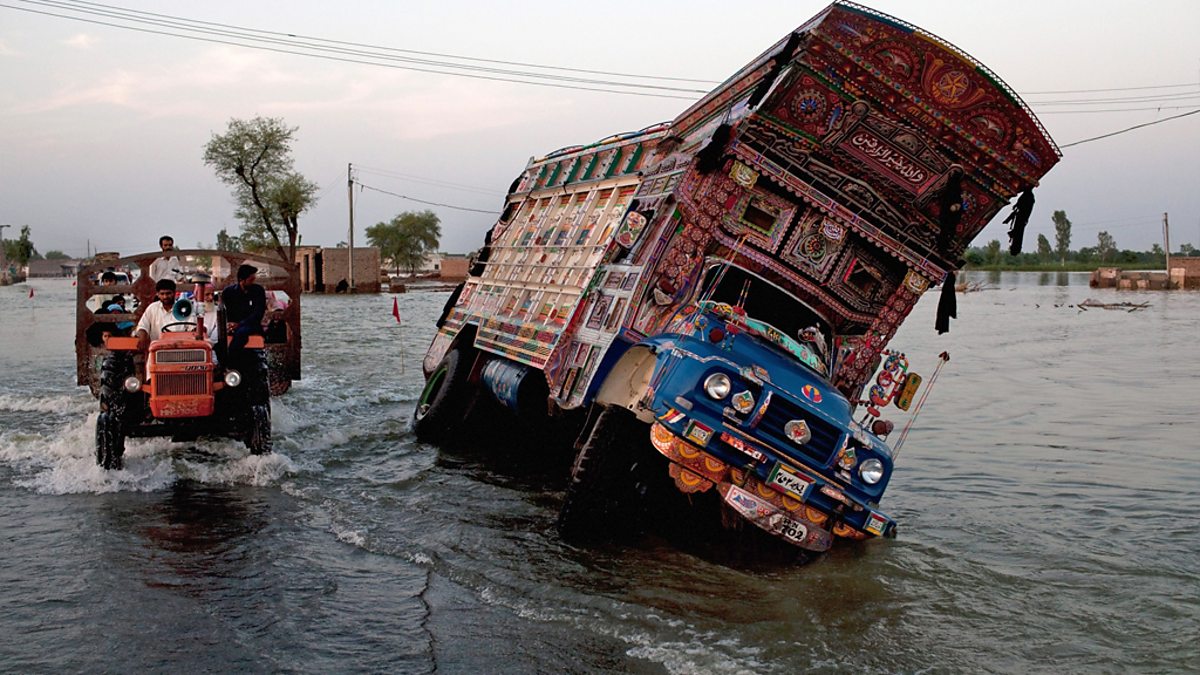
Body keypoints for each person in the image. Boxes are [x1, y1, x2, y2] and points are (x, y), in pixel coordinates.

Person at [221, 264, 266, 357]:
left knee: (242, 332)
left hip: (251, 325)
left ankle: (230, 359)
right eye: (251, 280)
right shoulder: (228, 292)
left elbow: (258, 313)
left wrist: (240, 324)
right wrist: (229, 324)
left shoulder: (258, 291)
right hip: (232, 324)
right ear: (242, 280)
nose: (253, 282)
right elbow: (224, 311)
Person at [134, 278, 193, 345]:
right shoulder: (152, 308)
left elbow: (192, 328)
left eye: (168, 293)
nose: (165, 297)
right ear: (158, 294)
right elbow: (142, 326)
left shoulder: (183, 308)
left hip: (180, 348)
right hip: (158, 349)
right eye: (162, 294)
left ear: (174, 293)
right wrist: (142, 337)